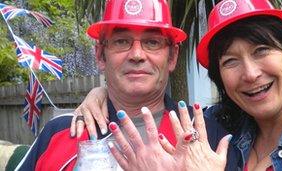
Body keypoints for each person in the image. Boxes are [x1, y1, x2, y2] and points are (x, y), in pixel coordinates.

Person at [72, 0, 282, 170]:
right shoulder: (218, 126)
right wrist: (102, 93)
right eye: (230, 61)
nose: (251, 74)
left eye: (261, 51)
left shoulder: (213, 135)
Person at [15, 0, 233, 170]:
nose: (137, 55)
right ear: (100, 55)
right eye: (121, 41)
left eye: (152, 42)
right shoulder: (60, 132)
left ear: (173, 56)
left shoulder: (206, 136)